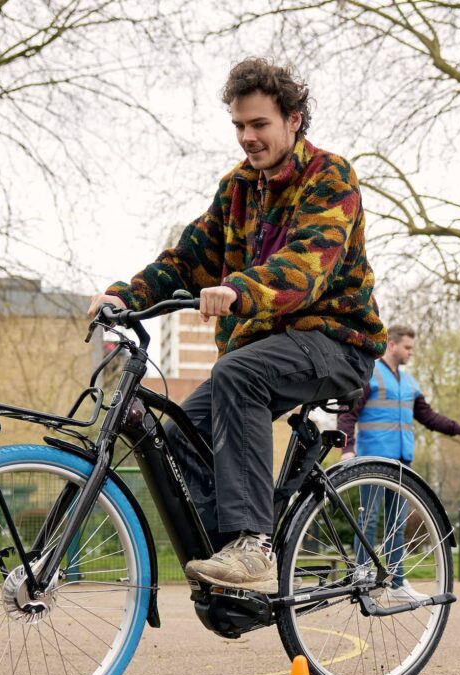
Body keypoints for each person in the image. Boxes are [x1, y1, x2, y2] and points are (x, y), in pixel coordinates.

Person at [87, 58, 386, 594]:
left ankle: (254, 545)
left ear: (294, 120)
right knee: (175, 436)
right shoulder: (238, 189)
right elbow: (185, 259)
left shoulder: (330, 177)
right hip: (268, 348)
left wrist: (240, 289)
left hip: (336, 341)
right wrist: (122, 295)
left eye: (259, 125)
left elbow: (306, 266)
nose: (248, 138)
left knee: (236, 375)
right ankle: (227, 562)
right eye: (239, 127)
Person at [336, 325, 460, 602]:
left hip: (402, 464)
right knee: (368, 520)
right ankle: (362, 576)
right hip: (373, 461)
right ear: (391, 345)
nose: (410, 353)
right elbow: (348, 413)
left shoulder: (410, 382)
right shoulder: (370, 375)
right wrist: (347, 448)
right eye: (407, 348)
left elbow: (429, 417)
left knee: (396, 524)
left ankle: (396, 584)